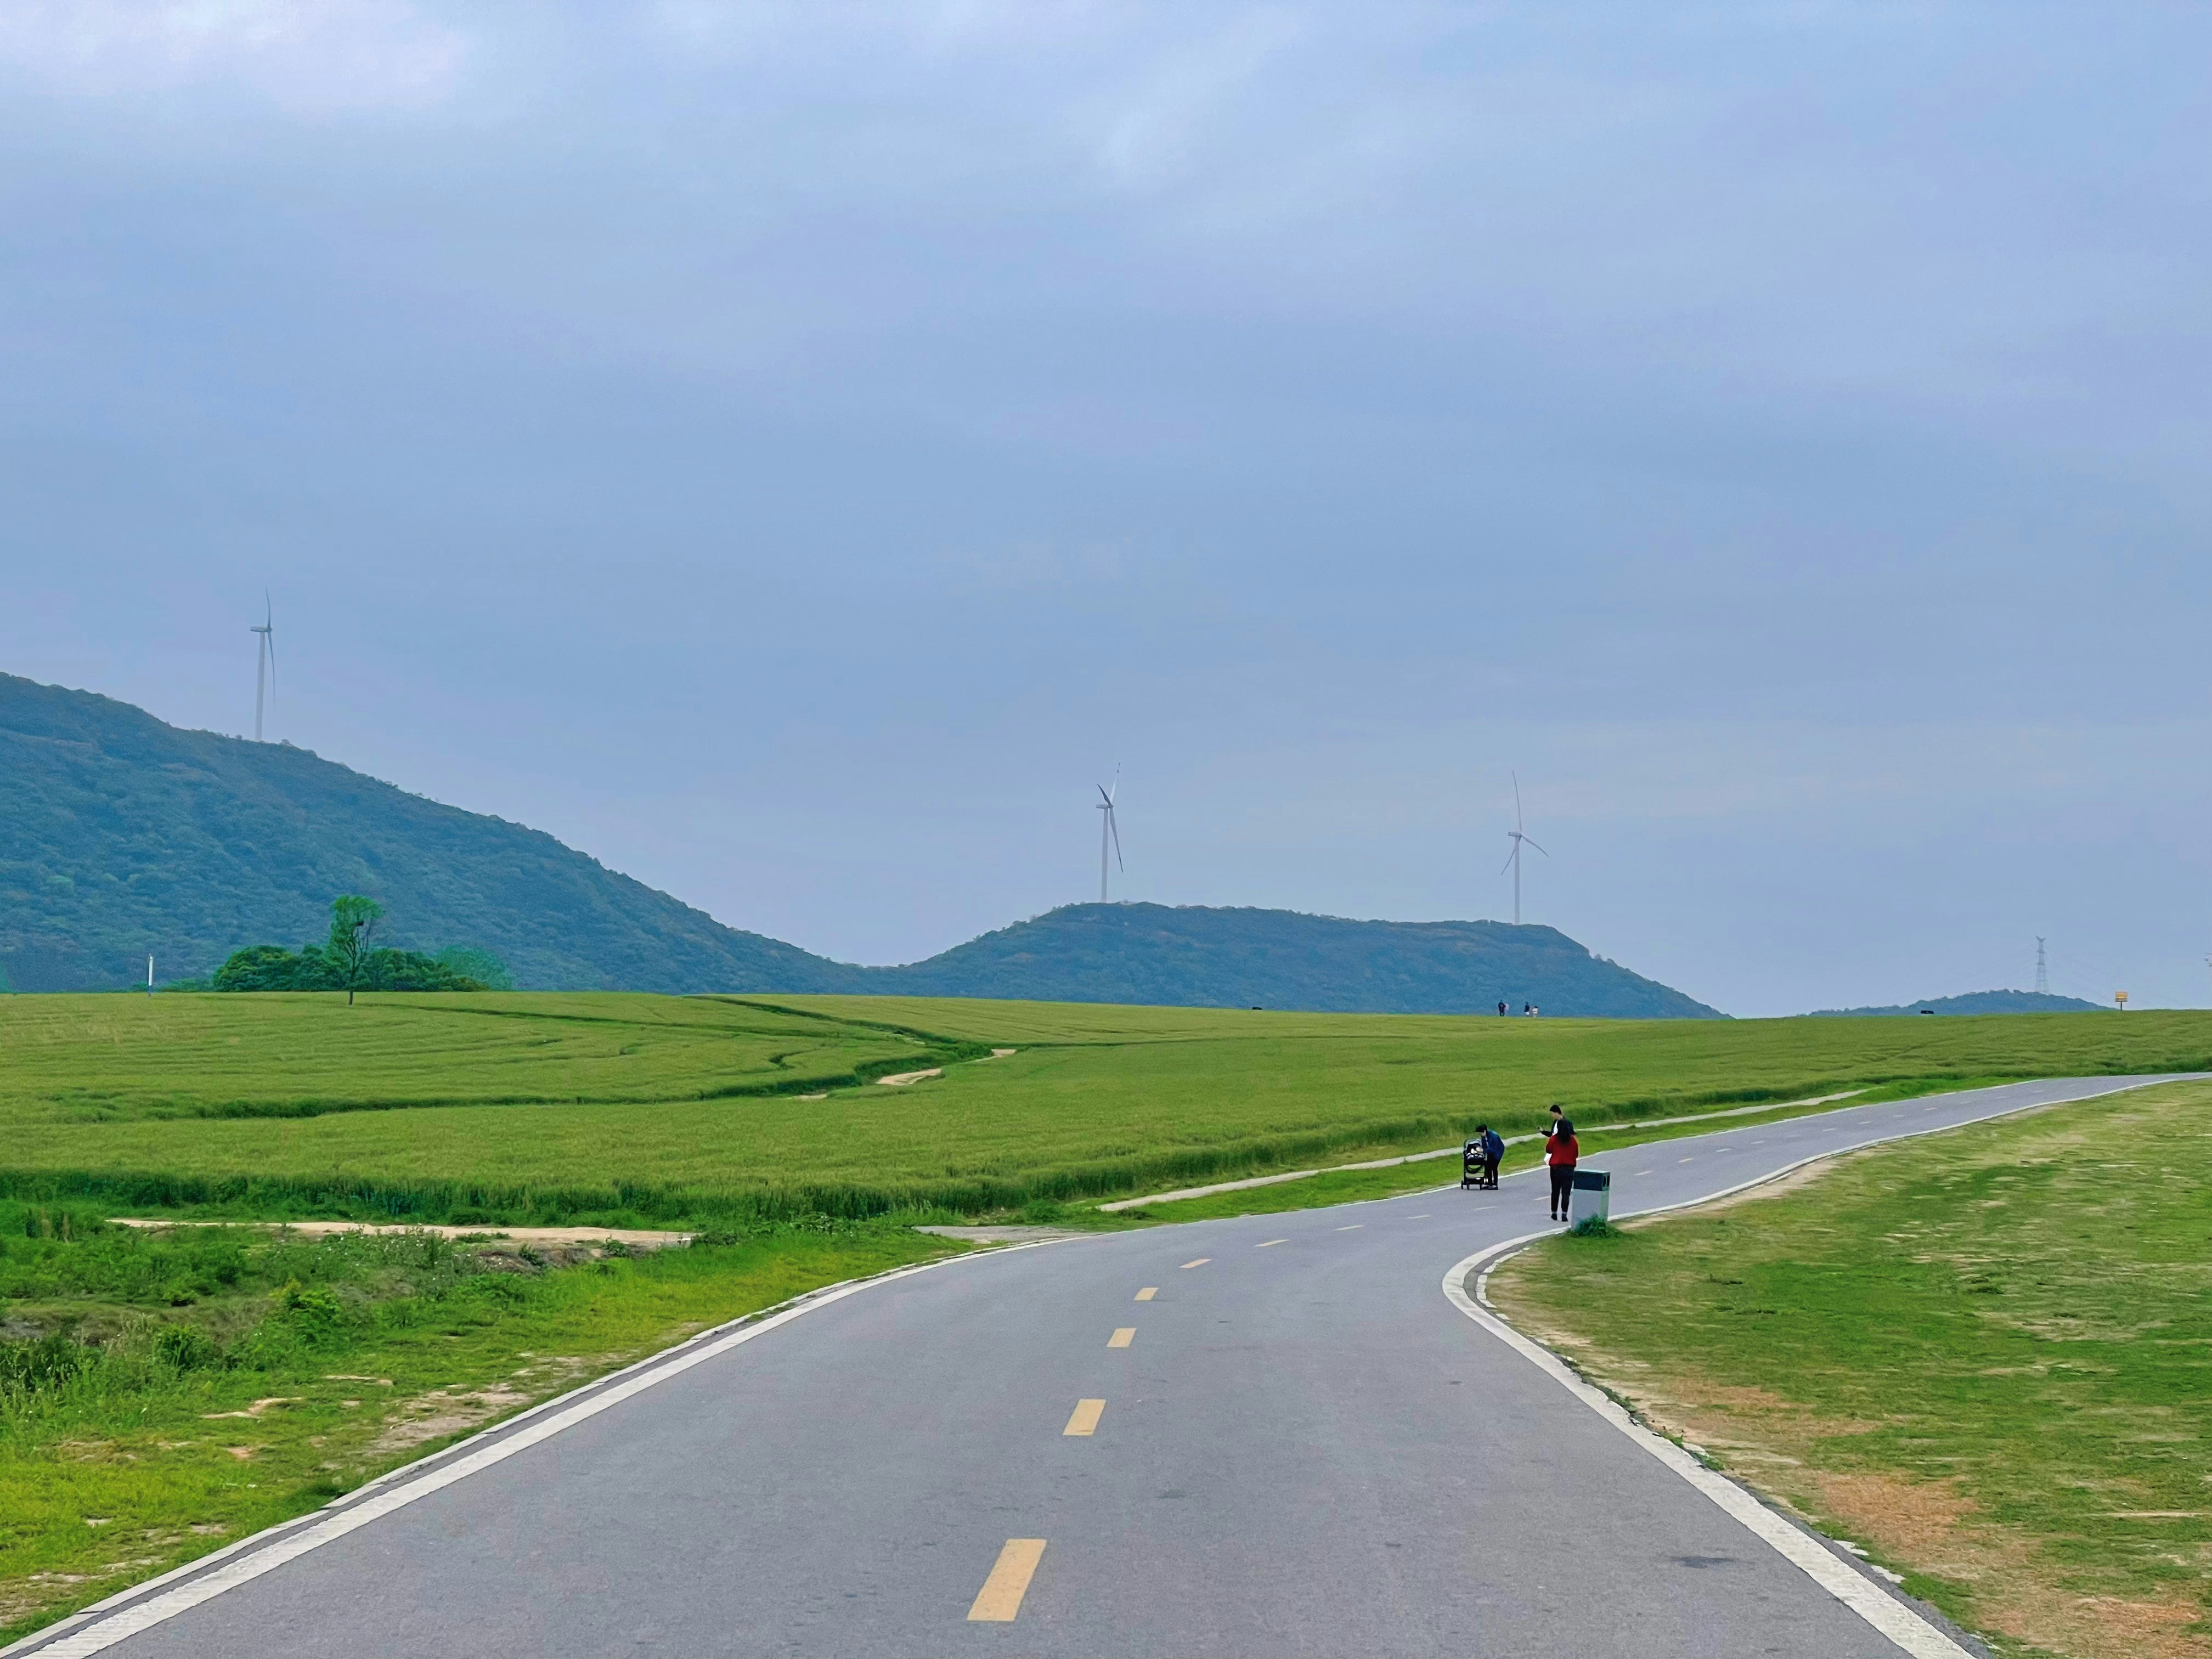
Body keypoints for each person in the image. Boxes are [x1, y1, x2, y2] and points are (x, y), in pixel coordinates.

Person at [1545, 1115, 1578, 1222]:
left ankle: (1554, 1213)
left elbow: (1549, 1150)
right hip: (1569, 1169)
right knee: (1566, 1193)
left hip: (1556, 1168)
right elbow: (1576, 1155)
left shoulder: (1554, 1139)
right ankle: (1564, 1215)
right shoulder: (1573, 1140)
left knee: (1555, 1191)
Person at [1481, 1123, 1504, 1188]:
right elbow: (1484, 1146)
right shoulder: (1483, 1136)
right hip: (1490, 1151)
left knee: (1494, 1167)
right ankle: (1490, 1183)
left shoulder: (1494, 1136)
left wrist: (1483, 1150)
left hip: (1498, 1152)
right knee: (1487, 1166)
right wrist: (1482, 1151)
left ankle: (1495, 1185)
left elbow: (1493, 1149)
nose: (1480, 1135)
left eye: (1481, 1134)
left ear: (1485, 1131)